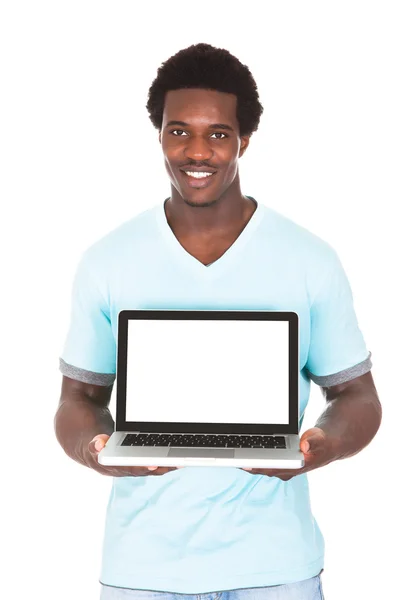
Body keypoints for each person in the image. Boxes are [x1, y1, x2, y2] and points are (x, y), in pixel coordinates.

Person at [54, 43, 382, 600]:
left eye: (219, 134)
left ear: (244, 140)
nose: (197, 152)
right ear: (158, 134)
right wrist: (97, 450)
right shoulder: (107, 260)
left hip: (276, 568)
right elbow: (75, 402)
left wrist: (318, 447)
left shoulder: (309, 259)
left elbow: (358, 397)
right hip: (144, 572)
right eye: (178, 131)